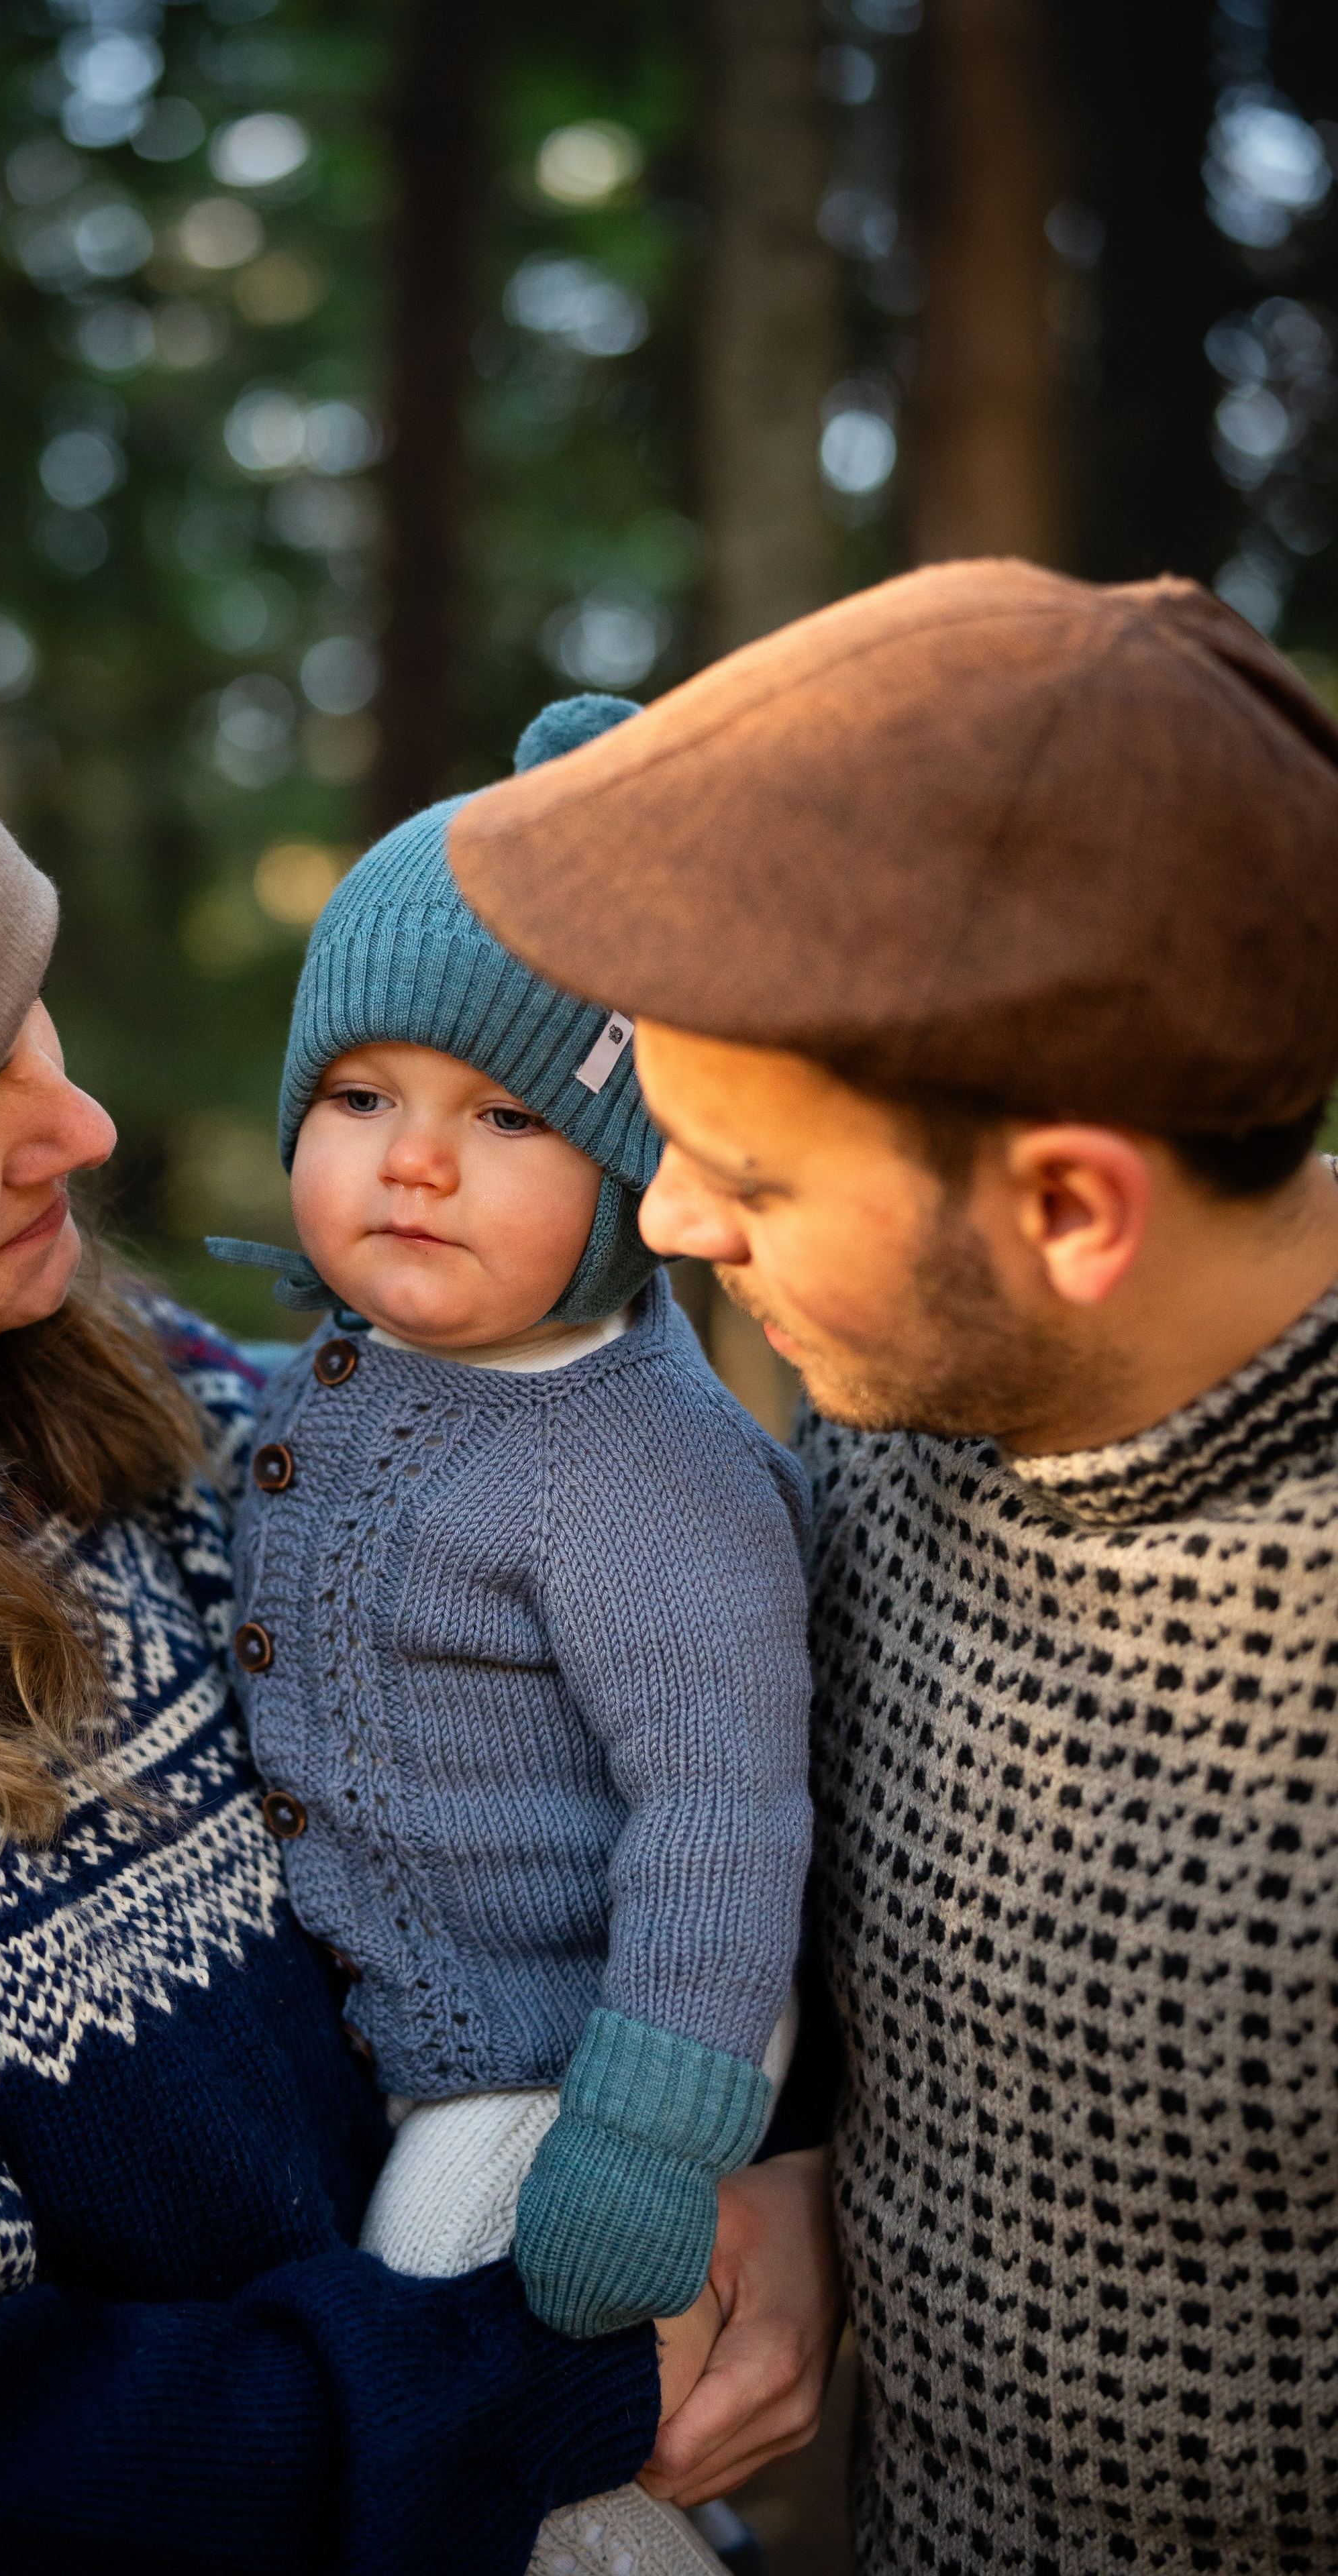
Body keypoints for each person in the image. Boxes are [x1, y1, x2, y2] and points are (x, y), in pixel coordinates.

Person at [0, 643, 821, 2576]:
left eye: (24, 1016)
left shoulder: (175, 1400)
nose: (82, 1127)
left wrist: (768, 2187)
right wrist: (550, 2384)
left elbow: (652, 1764)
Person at [446, 557, 1338, 2573]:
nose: (669, 1225)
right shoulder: (897, 1406)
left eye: (752, 1178)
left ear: (1072, 1209)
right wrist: (827, 2184)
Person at [211, 694, 813, 2574]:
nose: (413, 1162)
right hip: (410, 2042)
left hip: (572, 2060)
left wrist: (643, 2141)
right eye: (360, 1098)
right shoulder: (358, 1364)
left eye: (507, 1116)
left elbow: (723, 1820)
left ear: (632, 1180)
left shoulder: (640, 1470)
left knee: (483, 2428)